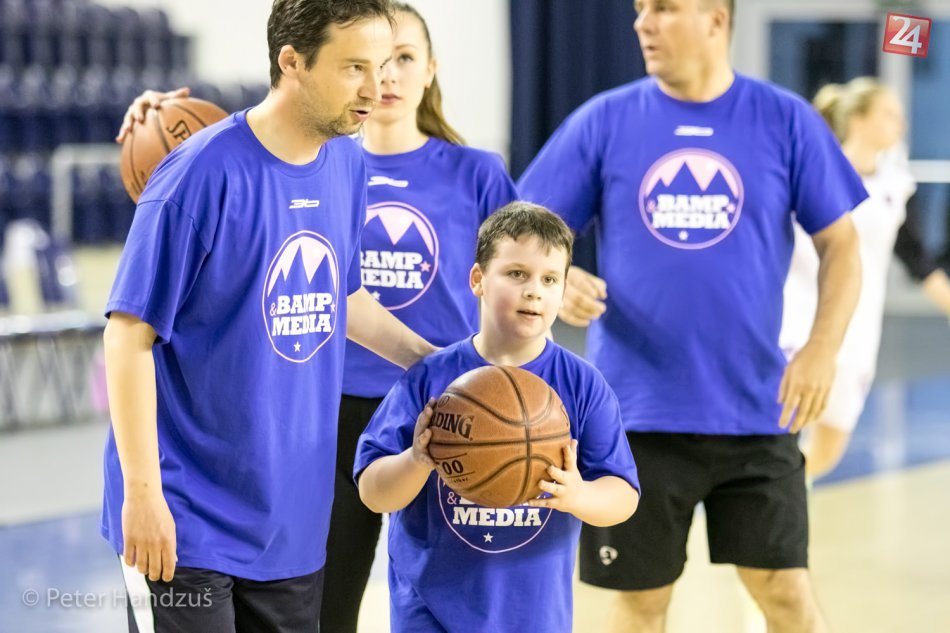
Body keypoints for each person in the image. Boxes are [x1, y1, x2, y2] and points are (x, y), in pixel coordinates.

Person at [117, 5, 519, 631]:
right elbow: (128, 336)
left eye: (383, 66)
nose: (376, 87)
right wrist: (142, 492)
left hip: (289, 520)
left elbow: (344, 296)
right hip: (186, 517)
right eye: (355, 67)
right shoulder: (200, 173)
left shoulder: (346, 163)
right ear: (292, 62)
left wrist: (439, 366)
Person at [517, 0, 865, 631]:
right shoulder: (605, 120)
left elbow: (841, 244)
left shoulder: (784, 119)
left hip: (756, 408)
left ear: (715, 19)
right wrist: (556, 281)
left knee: (786, 593)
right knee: (643, 602)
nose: (642, 23)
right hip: (635, 416)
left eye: (664, 8)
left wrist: (822, 349)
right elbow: (523, 235)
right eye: (639, 9)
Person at [355, 201, 640, 633]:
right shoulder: (430, 378)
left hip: (531, 617)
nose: (534, 291)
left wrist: (577, 495)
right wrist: (417, 460)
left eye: (549, 279)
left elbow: (623, 495)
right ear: (478, 280)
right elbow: (373, 493)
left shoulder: (583, 384)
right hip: (428, 613)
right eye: (516, 273)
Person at [782, 78, 950, 479]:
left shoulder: (895, 186)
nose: (900, 124)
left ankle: (785, 500)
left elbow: (917, 259)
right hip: (798, 326)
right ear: (857, 120)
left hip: (858, 334)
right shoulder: (812, 171)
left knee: (828, 449)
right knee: (779, 435)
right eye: (889, 114)